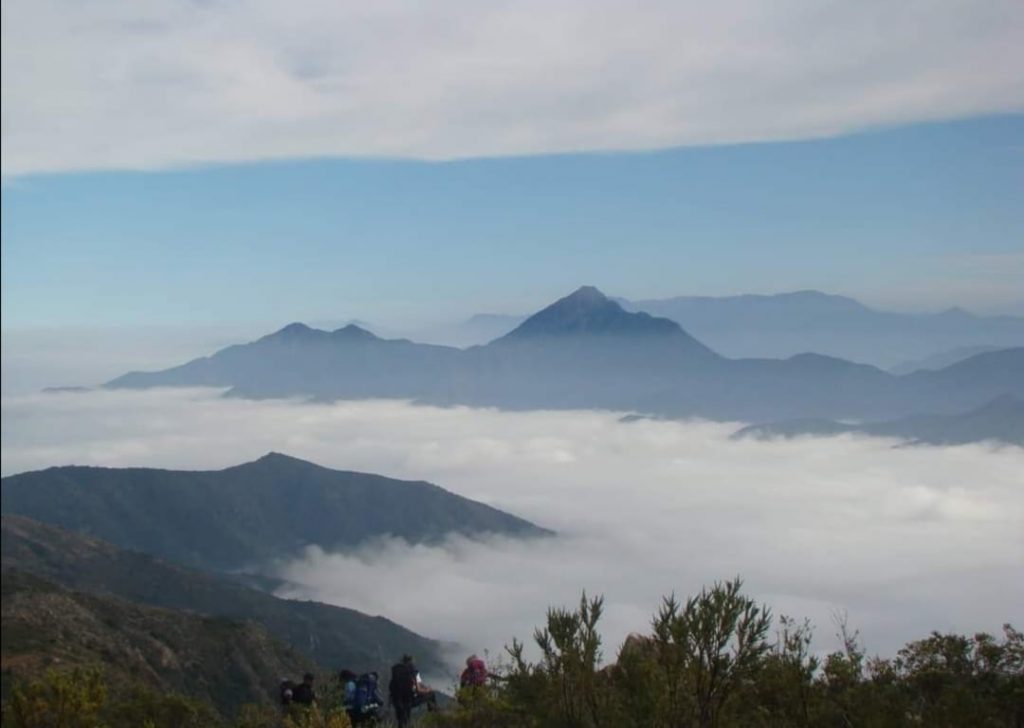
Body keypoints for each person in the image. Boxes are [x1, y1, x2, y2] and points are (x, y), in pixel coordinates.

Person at [389, 654, 436, 727]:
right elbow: (419, 690)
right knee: (432, 694)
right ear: (412, 661)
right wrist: (428, 690)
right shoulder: (413, 672)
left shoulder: (396, 671)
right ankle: (434, 719)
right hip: (409, 700)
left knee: (401, 721)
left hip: (397, 701)